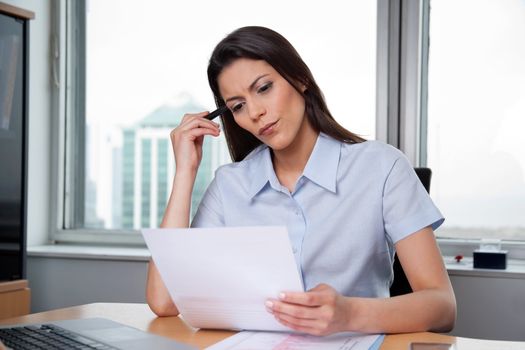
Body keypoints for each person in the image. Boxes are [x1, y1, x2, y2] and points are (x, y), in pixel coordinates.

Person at [146, 26, 456, 336]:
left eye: (264, 87)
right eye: (238, 106)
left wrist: (349, 314)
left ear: (300, 78)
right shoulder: (229, 185)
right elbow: (164, 301)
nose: (255, 112)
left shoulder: (382, 167)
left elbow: (442, 306)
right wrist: (185, 172)